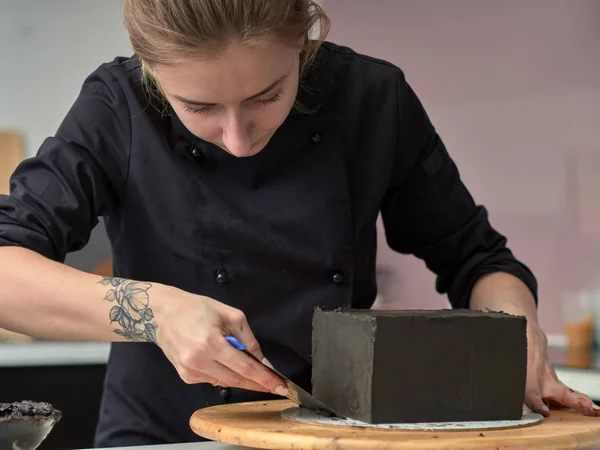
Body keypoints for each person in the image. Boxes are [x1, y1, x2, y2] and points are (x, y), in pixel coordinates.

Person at [0, 0, 597, 446]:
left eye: (267, 95)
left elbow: (479, 260)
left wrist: (519, 333)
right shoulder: (116, 105)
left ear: (305, 42)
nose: (238, 140)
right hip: (162, 435)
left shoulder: (372, 99)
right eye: (199, 108)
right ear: (153, 76)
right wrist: (153, 311)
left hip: (332, 435)